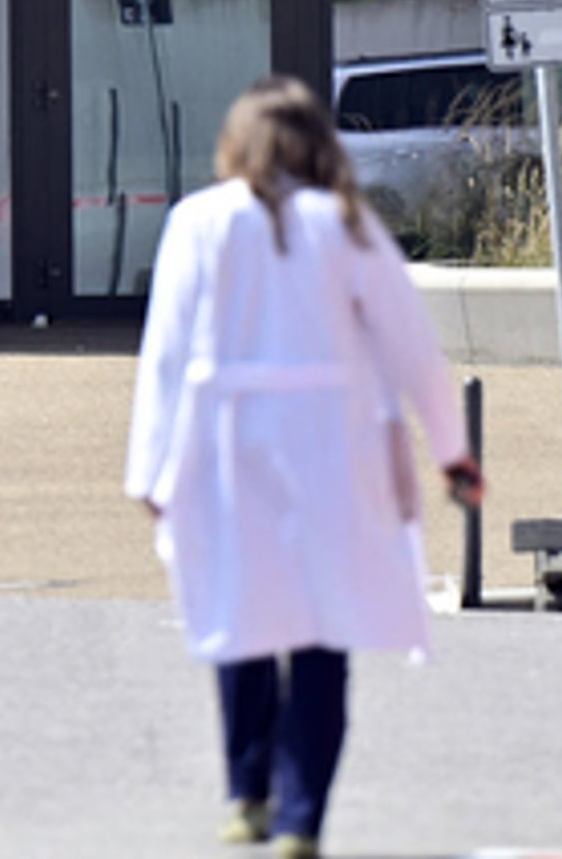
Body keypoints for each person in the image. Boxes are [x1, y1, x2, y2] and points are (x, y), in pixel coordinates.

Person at [124, 75, 485, 859]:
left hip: (228, 440)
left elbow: (166, 353)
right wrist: (454, 452)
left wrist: (149, 471)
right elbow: (414, 352)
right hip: (332, 442)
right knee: (323, 628)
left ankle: (245, 791)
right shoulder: (348, 226)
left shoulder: (197, 222)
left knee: (242, 610)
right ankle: (301, 817)